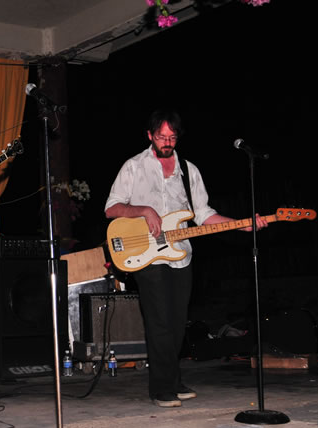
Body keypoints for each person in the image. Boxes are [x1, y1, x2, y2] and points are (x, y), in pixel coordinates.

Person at [104, 109, 266, 408]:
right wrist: (144, 210)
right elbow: (112, 208)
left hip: (181, 254)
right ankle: (160, 387)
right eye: (161, 136)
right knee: (159, 321)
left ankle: (173, 380)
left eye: (172, 137)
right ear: (150, 135)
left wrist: (242, 223)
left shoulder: (188, 170)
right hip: (145, 252)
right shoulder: (134, 167)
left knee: (178, 322)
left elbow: (203, 214)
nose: (167, 142)